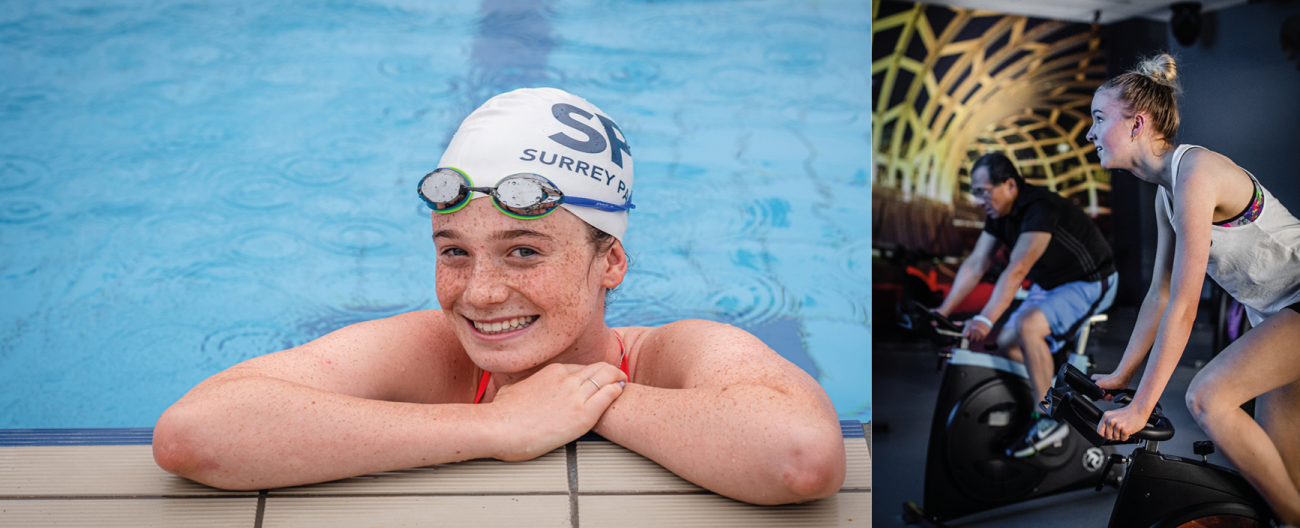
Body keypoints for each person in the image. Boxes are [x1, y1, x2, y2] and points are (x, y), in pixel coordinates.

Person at [151, 88, 846, 505]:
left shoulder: (679, 354)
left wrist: (586, 401)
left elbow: (800, 459)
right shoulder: (433, 352)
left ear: (612, 261)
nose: (480, 295)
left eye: (524, 251)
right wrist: (496, 428)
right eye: (454, 251)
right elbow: (194, 435)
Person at [1087, 54, 1300, 524]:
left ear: (1137, 123)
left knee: (1208, 397)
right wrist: (1124, 374)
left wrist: (1141, 407)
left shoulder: (1196, 173)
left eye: (1099, 120)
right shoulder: (1168, 192)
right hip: (1279, 316)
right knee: (1281, 479)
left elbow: (1184, 308)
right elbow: (1158, 296)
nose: (1090, 134)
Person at [933, 152, 1117, 458]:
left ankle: (1049, 418)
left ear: (1009, 185)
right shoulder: (999, 216)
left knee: (1027, 327)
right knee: (1009, 342)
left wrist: (983, 320)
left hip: (1091, 282)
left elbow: (1016, 270)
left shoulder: (1039, 207)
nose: (980, 201)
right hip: (1051, 284)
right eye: (975, 193)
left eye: (984, 192)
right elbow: (977, 262)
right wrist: (943, 312)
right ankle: (1050, 390)